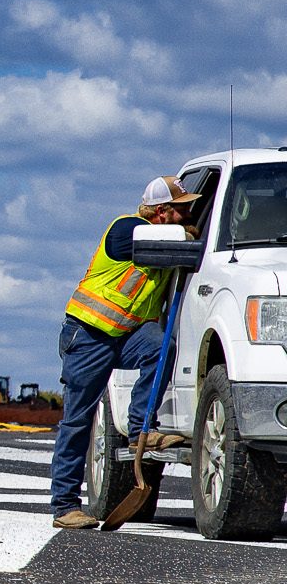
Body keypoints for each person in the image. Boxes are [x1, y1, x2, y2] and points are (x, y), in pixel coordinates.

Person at [47, 174, 200, 529]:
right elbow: (169, 239)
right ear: (161, 212)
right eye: (182, 210)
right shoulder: (126, 229)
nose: (188, 215)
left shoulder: (164, 240)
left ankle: (140, 431)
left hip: (126, 336)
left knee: (161, 348)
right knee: (78, 420)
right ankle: (64, 507)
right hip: (88, 335)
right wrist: (190, 234)